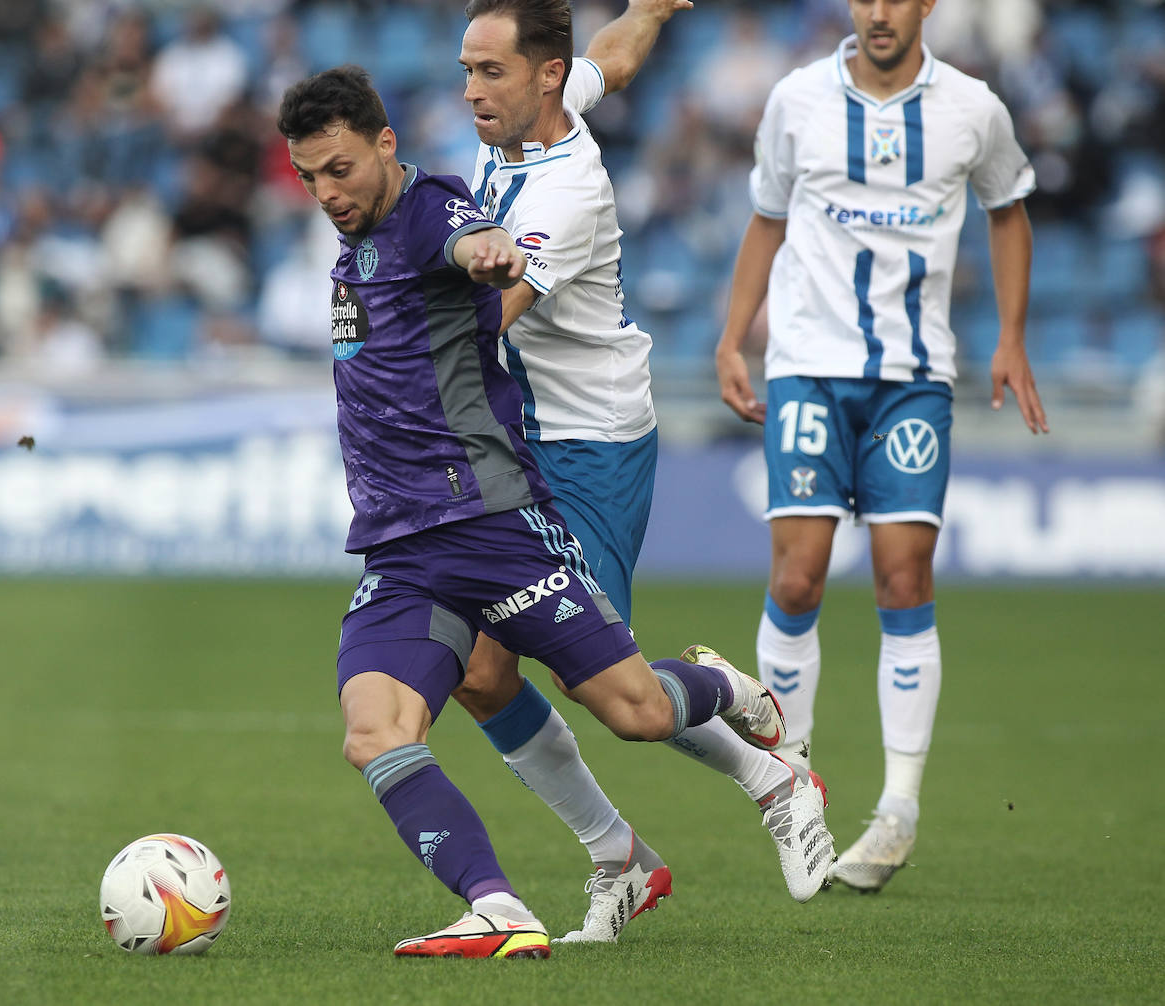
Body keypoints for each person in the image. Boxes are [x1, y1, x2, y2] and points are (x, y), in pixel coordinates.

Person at [278, 64, 786, 958]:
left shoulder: (431, 209)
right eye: (309, 175)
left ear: (384, 145)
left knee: (634, 712)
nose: (327, 192)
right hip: (402, 552)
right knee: (374, 731)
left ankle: (729, 689)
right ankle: (499, 908)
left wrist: (493, 253)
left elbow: (473, 240)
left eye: (341, 169)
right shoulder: (354, 248)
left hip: (495, 526)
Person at [451, 0, 836, 942]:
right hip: (520, 440)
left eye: (489, 72)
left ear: (540, 76)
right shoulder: (541, 108)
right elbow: (609, 62)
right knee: (479, 670)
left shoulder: (566, 193)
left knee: (617, 697)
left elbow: (484, 319)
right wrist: (646, 11)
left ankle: (761, 751)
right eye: (467, 70)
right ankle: (617, 856)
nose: (471, 91)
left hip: (591, 447)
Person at [714, 0, 1049, 892]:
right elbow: (767, 218)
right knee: (797, 577)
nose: (878, 12)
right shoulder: (796, 100)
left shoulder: (972, 108)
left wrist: (1010, 337)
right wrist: (730, 336)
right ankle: (796, 785)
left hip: (912, 377)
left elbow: (1009, 210)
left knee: (905, 579)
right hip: (808, 368)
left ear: (927, 5)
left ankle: (898, 808)